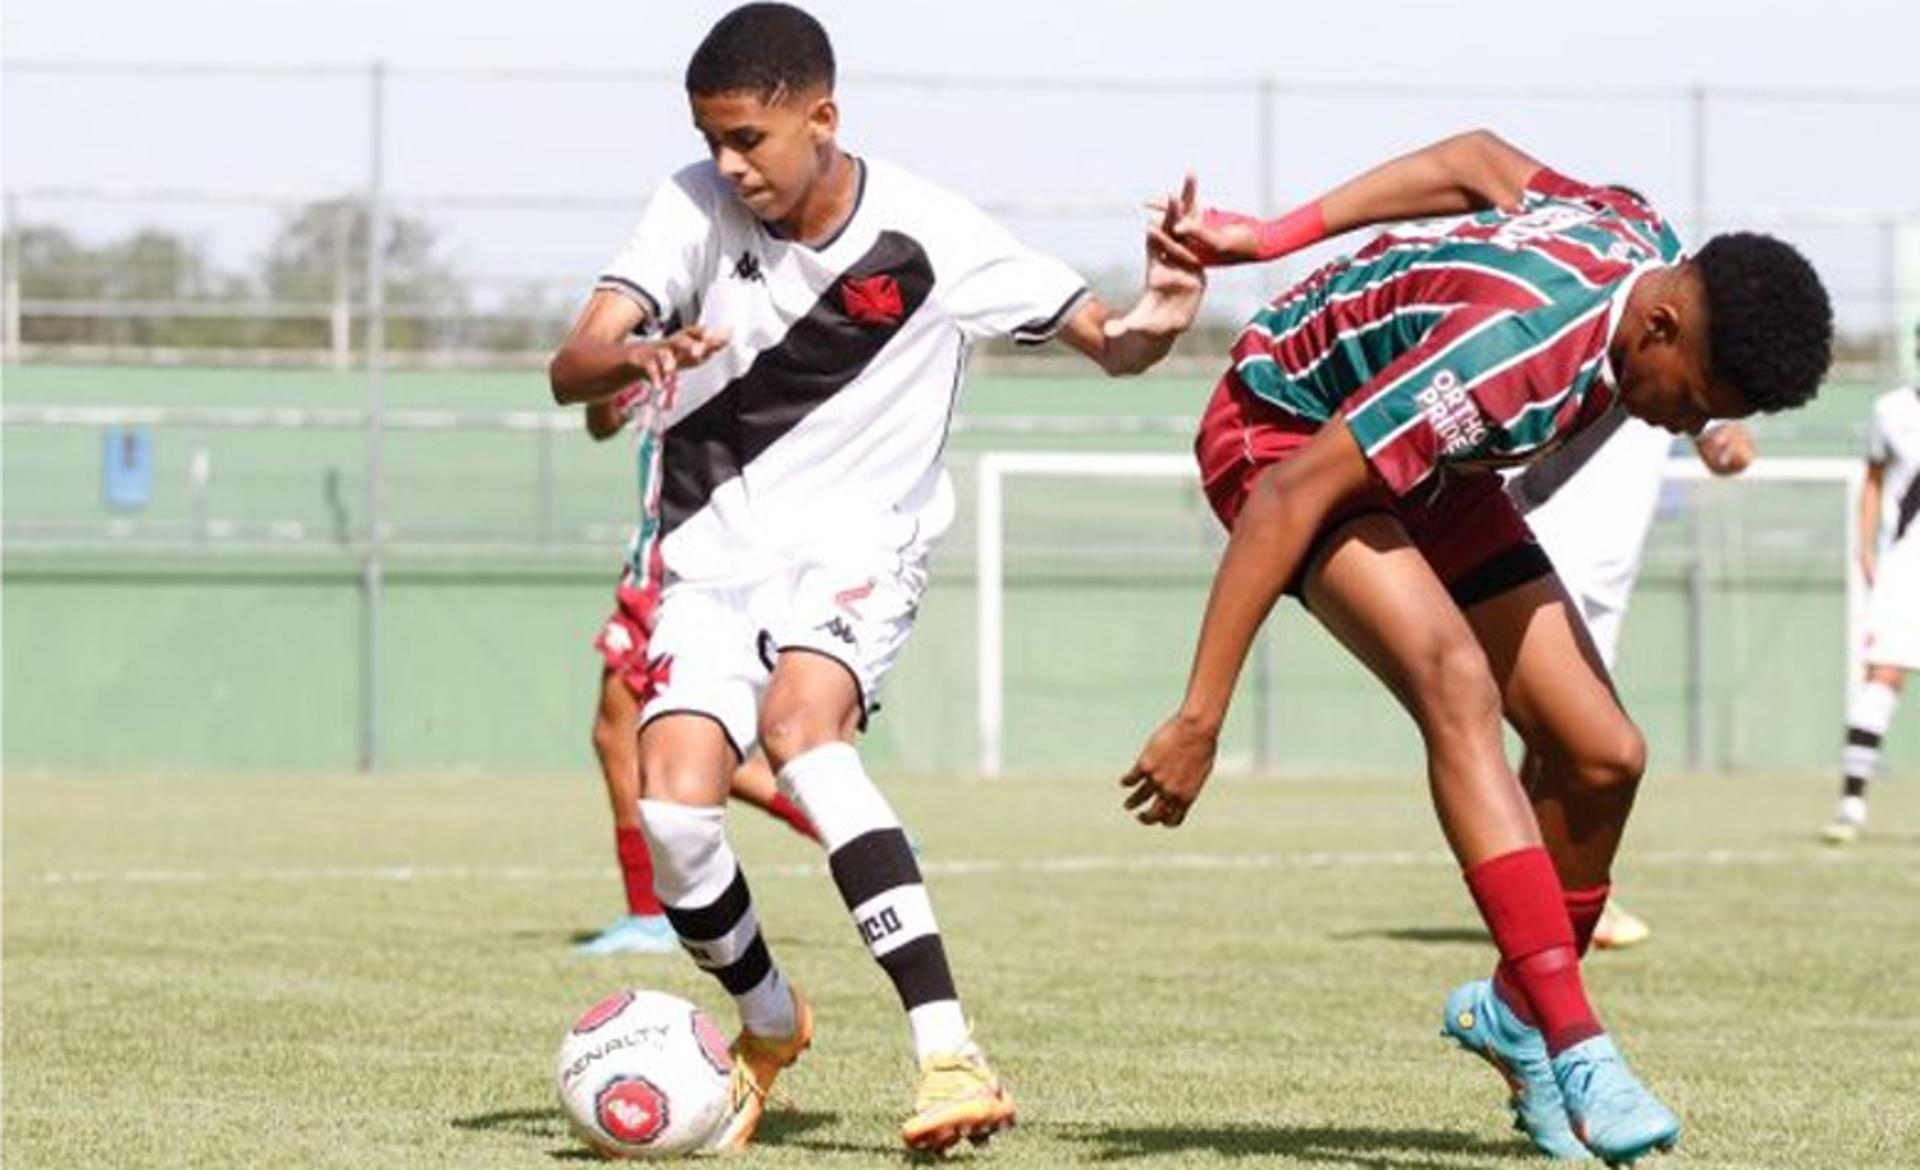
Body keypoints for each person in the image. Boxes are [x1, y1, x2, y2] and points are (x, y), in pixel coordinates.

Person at [548, 3, 1202, 1153]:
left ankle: (948, 1054)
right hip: (710, 551)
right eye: (712, 137)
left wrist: (1161, 308)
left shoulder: (929, 231)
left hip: (860, 549)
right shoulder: (690, 205)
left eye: (749, 137)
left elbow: (1113, 341)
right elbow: (571, 365)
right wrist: (640, 349)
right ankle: (767, 1024)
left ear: (822, 116)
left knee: (807, 732)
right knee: (673, 808)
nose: (727, 162)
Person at [1121, 130, 1831, 1163]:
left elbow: (1473, 159)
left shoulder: (1637, 236)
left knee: (1602, 755)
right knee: (1455, 684)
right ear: (1664, 325)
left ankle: (1511, 1012)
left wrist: (1270, 233)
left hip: (1424, 465)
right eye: (1692, 400)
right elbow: (1288, 493)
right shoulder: (1515, 355)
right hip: (1279, 430)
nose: (1680, 425)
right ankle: (1575, 1040)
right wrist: (1200, 715)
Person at [576, 369, 817, 957]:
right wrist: (619, 365)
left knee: (644, 738)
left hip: (686, 568)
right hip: (653, 565)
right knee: (644, 739)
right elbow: (601, 421)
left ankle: (650, 912)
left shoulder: (726, 343)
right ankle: (837, 819)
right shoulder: (653, 346)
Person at [1508, 408, 1758, 948]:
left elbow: (1720, 440)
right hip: (1545, 542)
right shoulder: (1616, 339)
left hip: (1607, 569)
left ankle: (1536, 890)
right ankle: (1540, 894)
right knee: (1565, 736)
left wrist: (1725, 441)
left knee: (1557, 742)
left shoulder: (1686, 367)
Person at [1821, 325, 1920, 843]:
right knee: (1883, 674)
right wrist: (1865, 547)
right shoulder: (1893, 411)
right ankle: (1852, 801)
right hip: (1907, 564)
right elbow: (1875, 482)